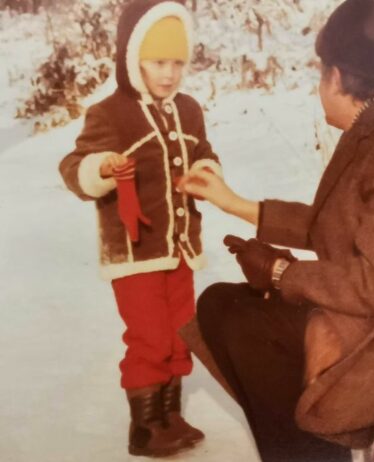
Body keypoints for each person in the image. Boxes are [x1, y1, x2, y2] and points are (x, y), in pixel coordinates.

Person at [178, 0, 374, 461]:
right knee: (224, 305)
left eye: (320, 73)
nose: (319, 85)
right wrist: (238, 205)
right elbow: (342, 223)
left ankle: (308, 454)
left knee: (248, 326)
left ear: (339, 76)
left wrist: (283, 273)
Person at [59, 0, 222, 457]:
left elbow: (203, 150)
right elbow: (73, 168)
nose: (168, 73)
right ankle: (145, 427)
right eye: (157, 62)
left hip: (182, 248)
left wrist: (207, 170)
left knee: (180, 332)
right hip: (135, 253)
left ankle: (170, 414)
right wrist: (101, 169)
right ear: (132, 59)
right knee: (149, 335)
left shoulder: (188, 109)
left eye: (176, 63)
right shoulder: (110, 113)